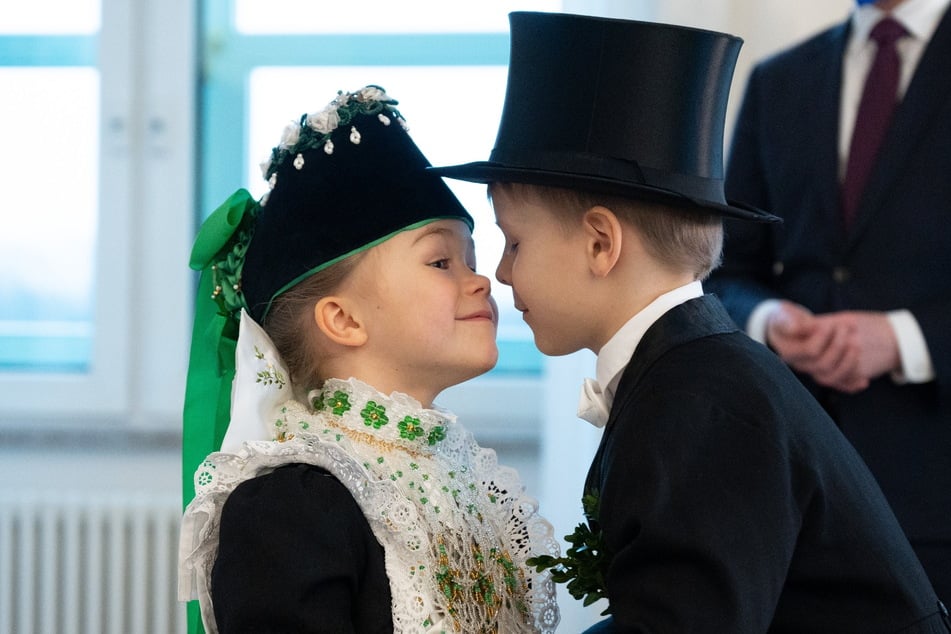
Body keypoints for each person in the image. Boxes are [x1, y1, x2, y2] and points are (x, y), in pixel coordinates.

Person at [431, 11, 951, 632]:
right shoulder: (696, 373)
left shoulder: (698, 406)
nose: (501, 273)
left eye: (514, 242)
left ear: (601, 243)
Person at [177, 86, 560, 634]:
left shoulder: (461, 484)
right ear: (344, 320)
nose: (481, 280)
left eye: (470, 259)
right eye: (440, 261)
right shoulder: (291, 504)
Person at [705, 0, 951, 600]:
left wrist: (902, 339)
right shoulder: (779, 80)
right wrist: (768, 320)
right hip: (789, 492)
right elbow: (720, 270)